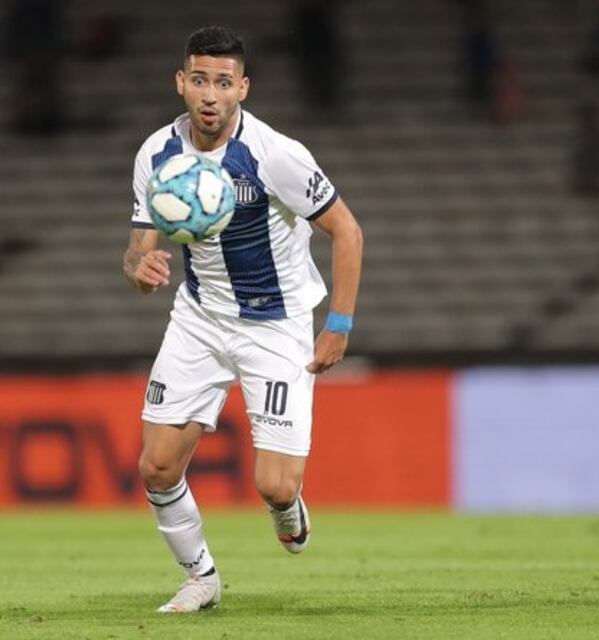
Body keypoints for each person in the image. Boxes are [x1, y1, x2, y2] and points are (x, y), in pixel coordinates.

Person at [122, 26, 363, 613]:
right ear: (181, 82)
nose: (210, 94)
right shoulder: (157, 155)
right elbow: (137, 248)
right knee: (155, 466)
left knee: (274, 485)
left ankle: (287, 508)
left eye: (223, 83)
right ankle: (200, 577)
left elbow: (347, 231)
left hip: (275, 324)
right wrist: (140, 265)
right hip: (200, 317)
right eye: (199, 80)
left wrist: (339, 325)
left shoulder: (274, 154)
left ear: (243, 89)